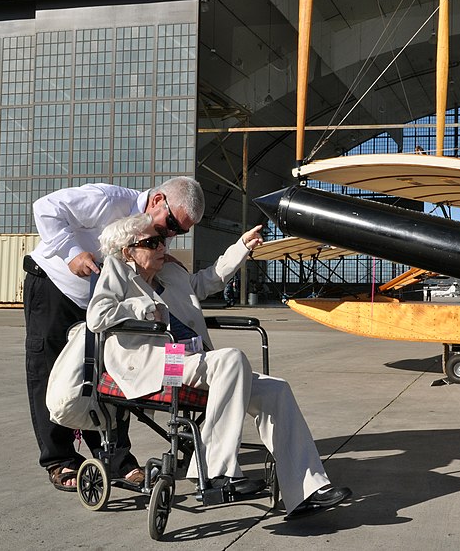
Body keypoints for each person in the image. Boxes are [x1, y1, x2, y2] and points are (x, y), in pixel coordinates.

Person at [87, 214, 351, 518]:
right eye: (152, 242)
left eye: (162, 240)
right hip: (157, 362)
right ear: (128, 251)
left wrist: (241, 246)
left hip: (188, 358)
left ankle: (306, 491)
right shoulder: (117, 272)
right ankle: (215, 472)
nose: (163, 246)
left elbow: (208, 280)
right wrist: (144, 308)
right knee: (231, 358)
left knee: (276, 391)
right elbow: (97, 316)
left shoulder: (170, 273)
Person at [24, 177, 203, 492]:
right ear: (157, 199)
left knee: (110, 374)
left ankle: (116, 459)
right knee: (50, 370)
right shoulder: (108, 200)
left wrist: (159, 255)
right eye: (171, 223)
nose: (171, 234)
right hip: (54, 287)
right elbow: (46, 209)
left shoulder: (159, 229)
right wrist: (72, 253)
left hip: (101, 301)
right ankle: (60, 459)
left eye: (179, 232)